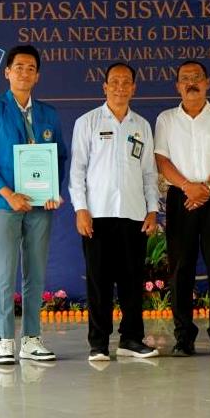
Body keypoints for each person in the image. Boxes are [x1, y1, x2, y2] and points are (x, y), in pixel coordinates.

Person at [0, 44, 67, 365]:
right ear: (7, 72)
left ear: (37, 76)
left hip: (40, 206)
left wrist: (52, 190)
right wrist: (7, 193)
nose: (25, 73)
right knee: (4, 272)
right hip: (4, 204)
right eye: (19, 67)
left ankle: (31, 338)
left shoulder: (48, 114)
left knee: (35, 273)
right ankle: (2, 339)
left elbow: (59, 157)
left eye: (31, 68)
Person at [68, 62, 160, 362]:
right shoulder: (88, 122)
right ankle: (98, 343)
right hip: (98, 214)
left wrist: (152, 209)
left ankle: (131, 339)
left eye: (126, 82)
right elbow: (77, 170)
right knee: (99, 281)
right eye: (114, 82)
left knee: (132, 281)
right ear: (105, 86)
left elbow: (149, 172)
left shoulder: (141, 125)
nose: (120, 87)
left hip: (134, 214)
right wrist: (81, 209)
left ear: (134, 88)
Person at [154, 60, 210, 358]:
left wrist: (207, 188)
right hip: (181, 197)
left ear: (207, 82)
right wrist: (188, 187)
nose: (191, 82)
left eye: (196, 77)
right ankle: (183, 337)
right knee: (180, 269)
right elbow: (161, 160)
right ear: (177, 86)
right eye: (185, 78)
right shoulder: (166, 119)